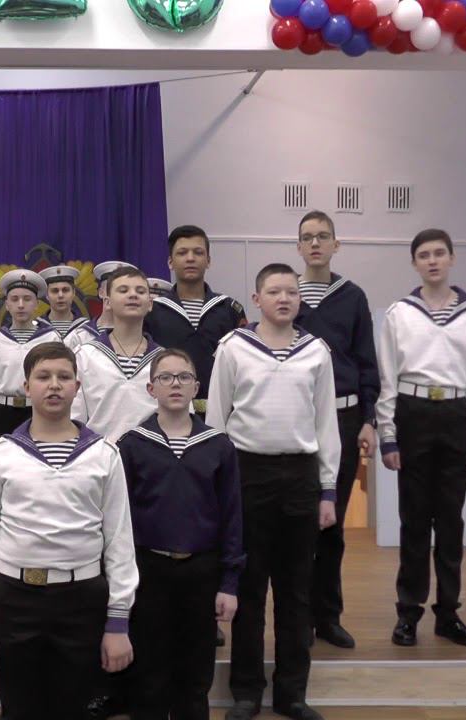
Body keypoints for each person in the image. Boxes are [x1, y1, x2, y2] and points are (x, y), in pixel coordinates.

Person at [0, 342, 138, 720]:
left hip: (81, 599)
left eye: (63, 377)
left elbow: (120, 543)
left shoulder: (104, 455)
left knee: (73, 709)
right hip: (14, 599)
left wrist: (118, 621)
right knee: (18, 709)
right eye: (43, 377)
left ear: (77, 387)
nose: (54, 385)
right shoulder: (1, 455)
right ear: (26, 387)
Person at [208, 263, 339, 720]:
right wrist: (217, 487)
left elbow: (326, 423)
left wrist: (327, 490)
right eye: (274, 292)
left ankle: (292, 694)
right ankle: (246, 691)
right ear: (257, 299)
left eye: (291, 292)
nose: (284, 299)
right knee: (248, 588)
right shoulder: (233, 347)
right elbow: (217, 422)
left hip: (300, 476)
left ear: (300, 300)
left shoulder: (316, 352)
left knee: (296, 591)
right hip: (247, 474)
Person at [377, 229, 466, 648]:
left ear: (452, 258)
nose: (432, 261)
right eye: (424, 255)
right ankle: (408, 613)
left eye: (439, 253)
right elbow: (387, 378)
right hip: (411, 413)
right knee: (414, 520)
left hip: (455, 414)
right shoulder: (400, 313)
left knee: (450, 522)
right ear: (414, 263)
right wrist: (388, 435)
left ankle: (448, 613)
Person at [119, 349, 243, 720]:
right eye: (166, 377)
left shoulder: (218, 445)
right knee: (149, 673)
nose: (175, 384)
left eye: (184, 377)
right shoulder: (132, 445)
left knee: (196, 675)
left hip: (201, 572)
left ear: (196, 387)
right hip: (149, 571)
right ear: (150, 388)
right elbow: (120, 520)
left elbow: (232, 518)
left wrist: (230, 583)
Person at [293, 210, 379, 650]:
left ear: (335, 244)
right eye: (307, 237)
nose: (315, 243)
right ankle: (298, 619)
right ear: (298, 246)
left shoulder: (353, 297)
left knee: (332, 522)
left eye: (323, 236)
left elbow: (366, 361)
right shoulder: (286, 295)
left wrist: (368, 419)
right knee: (298, 526)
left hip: (343, 420)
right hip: (296, 420)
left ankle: (327, 617)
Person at [144, 225, 247, 420]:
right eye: (182, 252)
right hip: (166, 414)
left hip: (221, 414)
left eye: (198, 252)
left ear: (208, 261)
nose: (190, 258)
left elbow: (243, 364)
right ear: (170, 262)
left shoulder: (229, 309)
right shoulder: (152, 311)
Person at [0, 268, 64, 441]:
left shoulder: (51, 338)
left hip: (39, 411)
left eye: (27, 299)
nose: (21, 305)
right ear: (7, 304)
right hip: (3, 413)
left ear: (37, 304)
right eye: (14, 299)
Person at [73, 266, 162, 442]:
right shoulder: (84, 356)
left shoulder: (165, 360)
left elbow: (179, 419)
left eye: (140, 291)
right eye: (123, 290)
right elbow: (74, 420)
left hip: (153, 454)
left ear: (150, 304)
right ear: (107, 302)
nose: (133, 295)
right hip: (99, 453)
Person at [40, 265, 99, 349]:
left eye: (65, 290)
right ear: (47, 295)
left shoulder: (88, 329)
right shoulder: (37, 328)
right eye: (55, 291)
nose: (60, 295)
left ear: (74, 293)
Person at [93, 261, 136, 331]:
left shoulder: (137, 334)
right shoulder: (80, 334)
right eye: (111, 288)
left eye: (123, 290)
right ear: (101, 293)